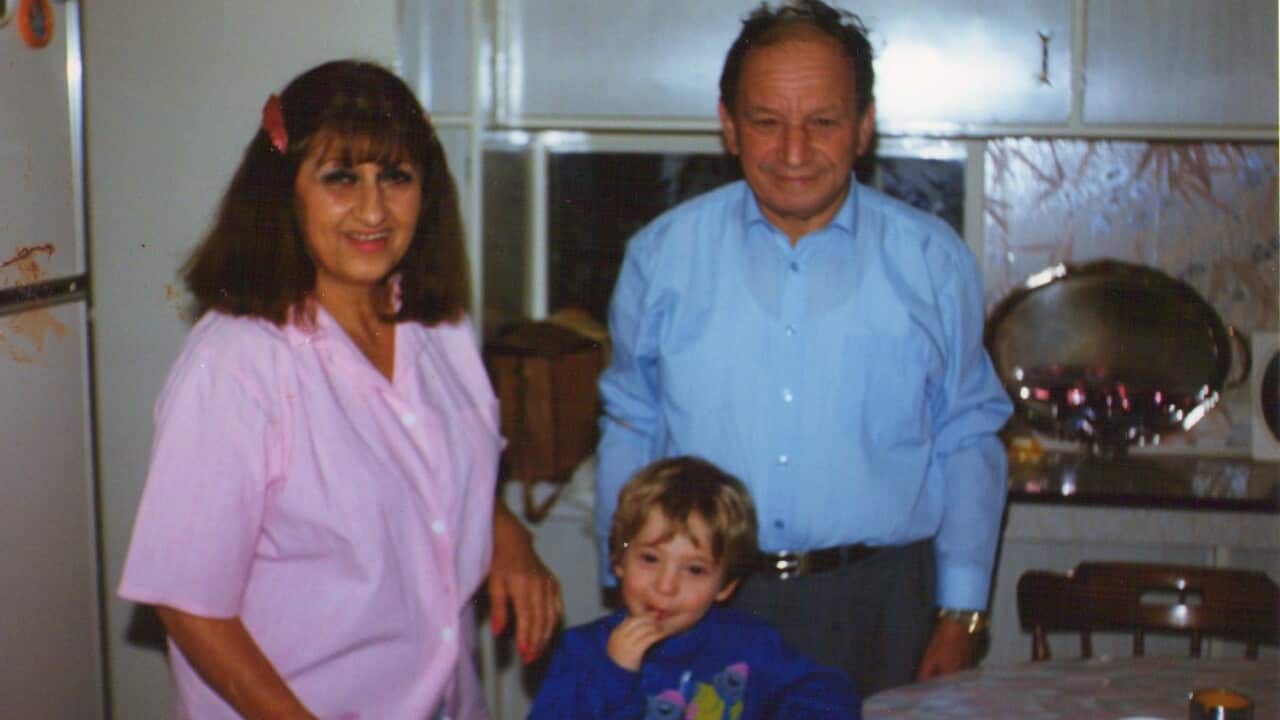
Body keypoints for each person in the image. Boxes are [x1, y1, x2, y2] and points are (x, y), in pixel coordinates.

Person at [595, 0, 1013, 697]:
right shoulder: (662, 258)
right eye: (767, 122)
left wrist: (962, 612)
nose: (794, 152)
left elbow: (968, 435)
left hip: (883, 609)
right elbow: (632, 422)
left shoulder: (932, 262)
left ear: (863, 126)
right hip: (701, 602)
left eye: (822, 121)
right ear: (729, 125)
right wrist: (626, 586)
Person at [118, 60, 560, 719]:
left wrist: (505, 532)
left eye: (397, 177)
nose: (374, 208)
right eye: (341, 178)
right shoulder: (238, 361)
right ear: (285, 191)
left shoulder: (441, 327)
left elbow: (428, 474)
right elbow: (186, 601)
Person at [531, 456, 858, 719]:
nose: (666, 586)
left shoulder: (751, 642)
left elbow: (826, 690)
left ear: (726, 586)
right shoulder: (583, 651)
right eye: (650, 559)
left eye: (695, 569)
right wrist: (612, 675)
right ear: (618, 560)